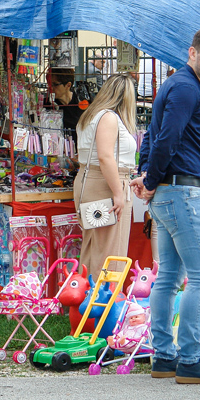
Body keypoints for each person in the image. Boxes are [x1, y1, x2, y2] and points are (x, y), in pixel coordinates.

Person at [131, 26, 200, 385]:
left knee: (170, 279)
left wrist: (146, 174)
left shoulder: (177, 86)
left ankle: (164, 357)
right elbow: (166, 139)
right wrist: (148, 179)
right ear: (193, 53)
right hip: (183, 195)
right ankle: (190, 359)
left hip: (171, 195)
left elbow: (153, 135)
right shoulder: (187, 88)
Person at [73, 74, 138, 278]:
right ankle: (105, 300)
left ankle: (85, 299)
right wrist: (118, 193)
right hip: (106, 183)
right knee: (110, 249)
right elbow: (105, 157)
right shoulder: (109, 117)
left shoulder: (91, 116)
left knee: (95, 246)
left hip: (90, 180)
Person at [48, 68, 85, 141]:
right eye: (49, 84)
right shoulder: (48, 105)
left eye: (55, 84)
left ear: (68, 85)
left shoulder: (81, 102)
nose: (51, 88)